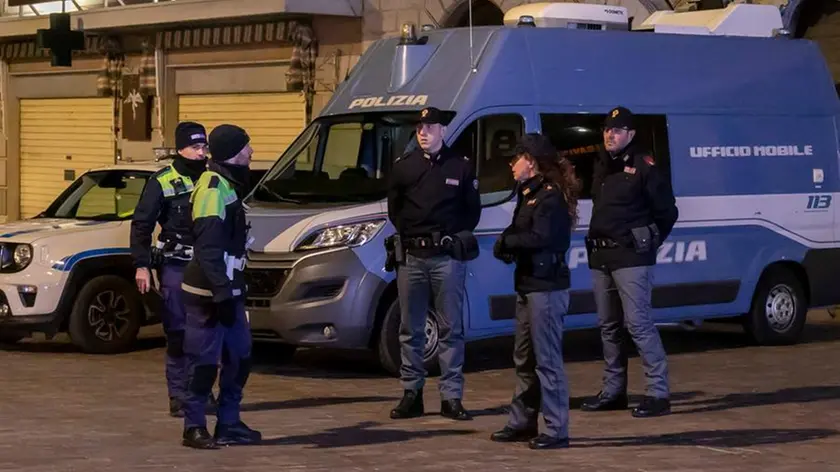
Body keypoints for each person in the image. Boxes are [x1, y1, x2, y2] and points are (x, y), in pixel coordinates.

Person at [580, 106, 679, 418]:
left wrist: (647, 242)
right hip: (601, 256)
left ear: (631, 134)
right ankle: (613, 391)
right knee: (609, 326)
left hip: (631, 257)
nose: (611, 134)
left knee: (638, 324)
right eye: (608, 129)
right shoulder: (601, 164)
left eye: (618, 130)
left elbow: (667, 211)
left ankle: (658, 393)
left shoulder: (643, 165)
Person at [386, 106, 482, 421]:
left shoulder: (461, 166)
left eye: (429, 127)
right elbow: (395, 211)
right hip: (413, 256)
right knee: (409, 328)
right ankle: (411, 393)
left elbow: (472, 213)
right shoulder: (404, 167)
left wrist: (450, 236)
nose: (423, 133)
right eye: (419, 128)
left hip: (447, 258)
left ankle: (451, 397)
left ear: (443, 130)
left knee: (450, 328)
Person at [490, 133, 580, 450]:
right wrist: (508, 247)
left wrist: (508, 242)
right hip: (528, 284)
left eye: (516, 158)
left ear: (531, 161)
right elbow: (523, 233)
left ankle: (556, 429)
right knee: (524, 359)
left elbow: (541, 237)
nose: (511, 165)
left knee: (547, 361)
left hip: (546, 287)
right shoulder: (528, 193)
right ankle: (523, 421)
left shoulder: (550, 197)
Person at [179, 124, 261, 449]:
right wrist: (222, 292)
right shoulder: (213, 188)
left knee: (240, 358)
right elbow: (209, 249)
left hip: (229, 290)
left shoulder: (227, 184)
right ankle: (193, 427)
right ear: (231, 154)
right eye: (246, 149)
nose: (251, 153)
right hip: (209, 294)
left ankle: (229, 423)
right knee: (203, 363)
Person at [130, 121, 215, 417]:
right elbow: (142, 225)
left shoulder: (212, 177)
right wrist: (141, 265)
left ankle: (202, 391)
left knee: (205, 332)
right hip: (176, 266)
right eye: (195, 147)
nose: (201, 152)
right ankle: (179, 395)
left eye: (204, 146)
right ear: (180, 149)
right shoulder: (163, 181)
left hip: (207, 266)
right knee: (179, 332)